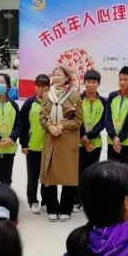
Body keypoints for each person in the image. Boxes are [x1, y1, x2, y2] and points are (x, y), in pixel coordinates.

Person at [40, 65, 81, 223]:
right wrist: (50, 126)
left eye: (59, 75)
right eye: (54, 75)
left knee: (68, 176)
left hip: (67, 140)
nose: (56, 77)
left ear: (67, 78)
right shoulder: (46, 95)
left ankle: (66, 209)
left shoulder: (75, 96)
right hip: (51, 139)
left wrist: (61, 125)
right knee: (49, 175)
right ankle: (52, 208)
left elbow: (78, 121)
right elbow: (42, 117)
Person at [18, 74, 50, 214]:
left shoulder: (53, 103)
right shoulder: (28, 103)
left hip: (49, 147)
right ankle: (33, 201)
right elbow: (23, 125)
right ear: (35, 86)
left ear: (49, 87)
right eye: (39, 85)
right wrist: (24, 144)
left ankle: (45, 201)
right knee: (33, 175)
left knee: (47, 176)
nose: (41, 89)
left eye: (44, 86)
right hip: (32, 146)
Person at [105, 65, 128, 171]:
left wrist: (119, 138)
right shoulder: (112, 96)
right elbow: (107, 118)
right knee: (113, 176)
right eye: (120, 79)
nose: (122, 82)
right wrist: (114, 137)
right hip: (112, 142)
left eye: (125, 79)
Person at [78, 69, 106, 184]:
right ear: (84, 82)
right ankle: (78, 199)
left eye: (94, 82)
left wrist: (88, 138)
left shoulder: (104, 101)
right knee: (79, 171)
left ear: (98, 84)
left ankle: (90, 199)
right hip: (79, 142)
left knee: (93, 172)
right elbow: (76, 120)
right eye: (88, 82)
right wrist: (83, 136)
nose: (90, 84)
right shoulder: (77, 99)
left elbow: (103, 122)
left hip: (95, 143)